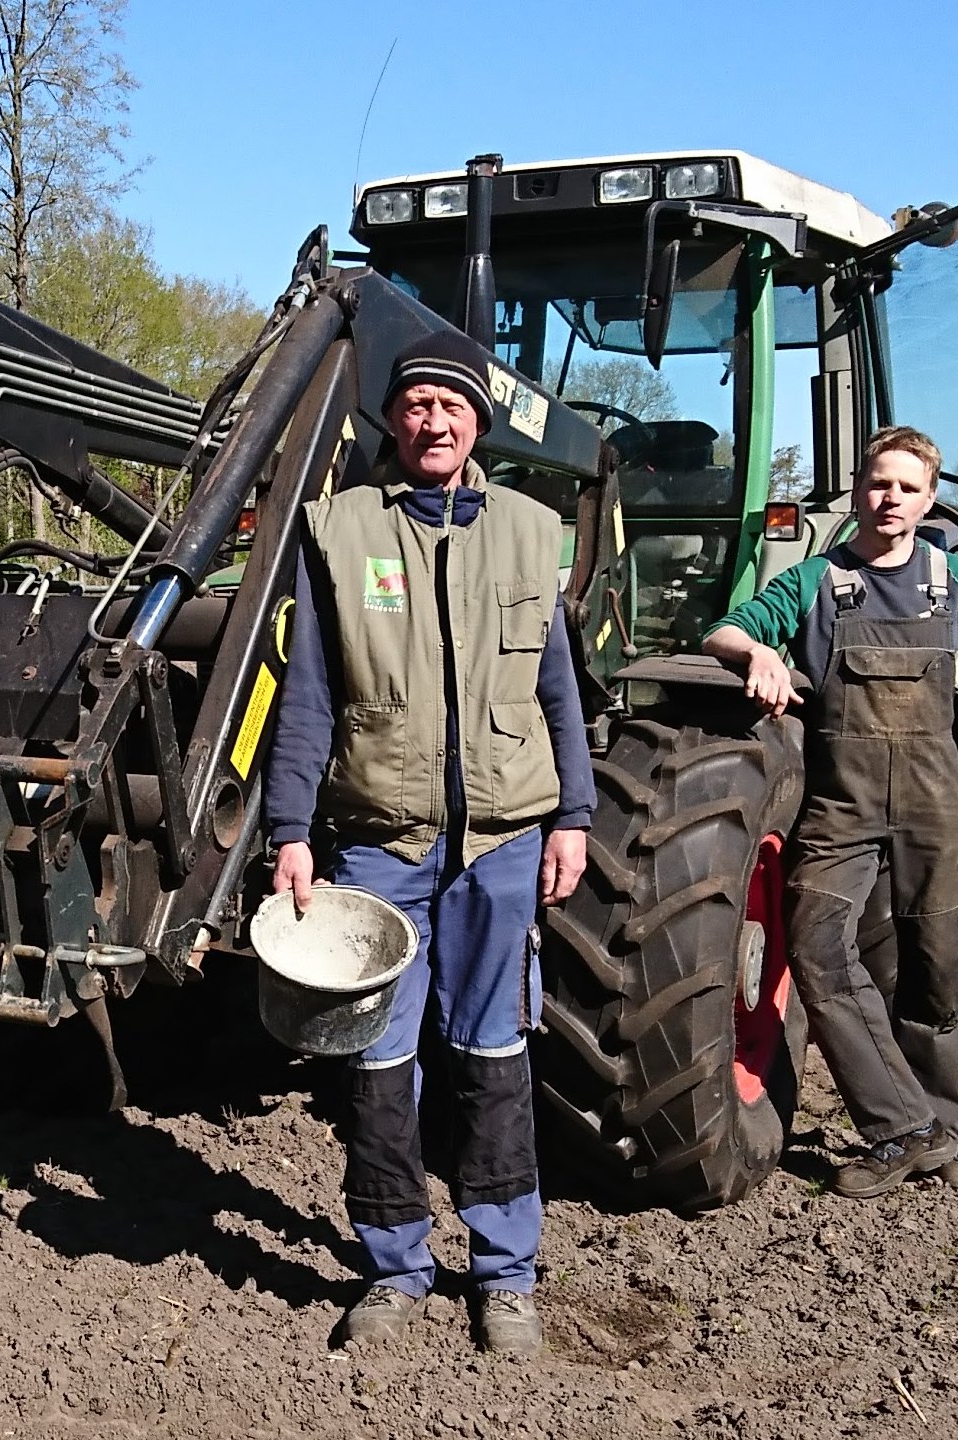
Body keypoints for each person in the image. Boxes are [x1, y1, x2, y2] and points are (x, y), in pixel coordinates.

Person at [265, 328, 594, 1354]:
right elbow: (307, 696)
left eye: (452, 406)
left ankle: (506, 1274)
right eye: (416, 405)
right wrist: (289, 830)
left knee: (495, 1053)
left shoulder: (531, 531)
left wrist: (574, 815)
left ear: (478, 424)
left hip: (502, 840)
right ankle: (395, 1265)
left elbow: (558, 690)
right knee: (377, 1060)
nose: (433, 421)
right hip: (380, 843)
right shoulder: (343, 529)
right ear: (394, 422)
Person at [702, 426, 958, 1199]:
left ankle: (940, 1134)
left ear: (929, 499)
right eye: (879, 483)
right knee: (817, 949)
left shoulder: (957, 581)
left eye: (908, 488)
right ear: (858, 491)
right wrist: (759, 652)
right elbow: (723, 630)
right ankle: (904, 1126)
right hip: (840, 810)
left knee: (934, 974)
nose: (891, 498)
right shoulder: (818, 580)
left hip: (937, 807)